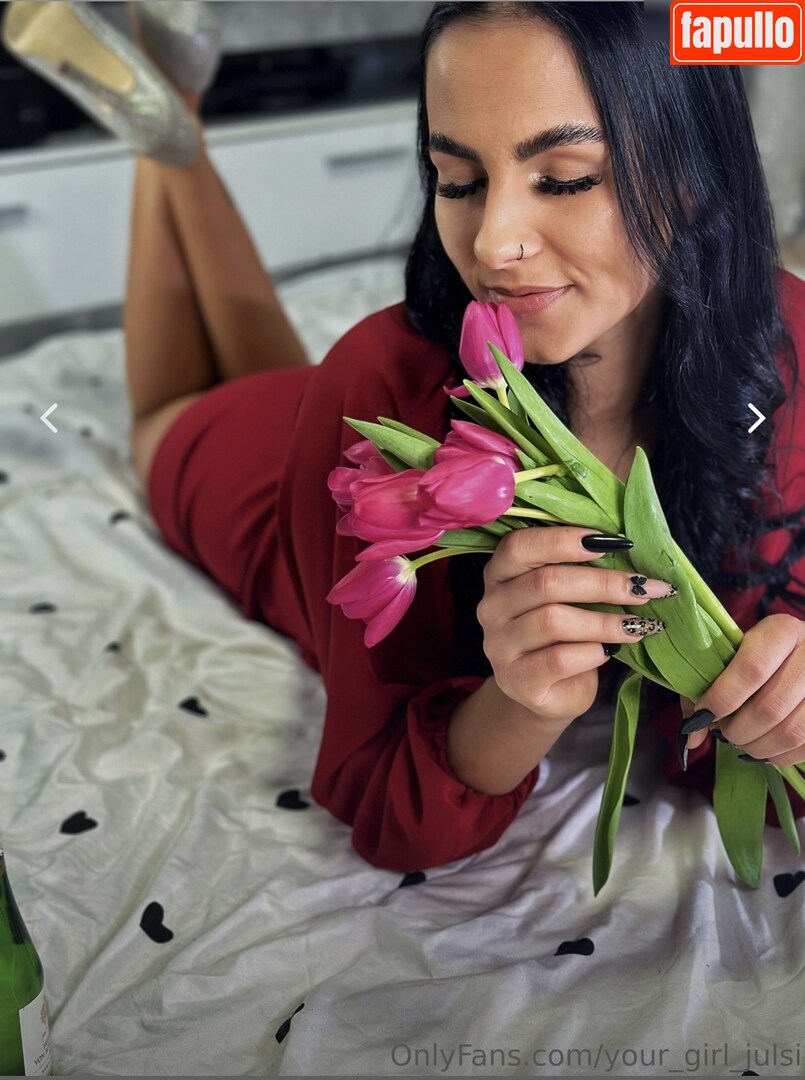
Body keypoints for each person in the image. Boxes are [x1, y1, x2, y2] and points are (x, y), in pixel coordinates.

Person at [7, 1, 804, 872]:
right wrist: (522, 701)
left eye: (563, 179)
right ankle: (162, 140)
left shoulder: (783, 348)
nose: (492, 244)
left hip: (344, 413)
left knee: (277, 366)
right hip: (286, 486)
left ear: (696, 172)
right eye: (457, 182)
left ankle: (170, 122)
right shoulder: (380, 373)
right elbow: (387, 810)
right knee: (167, 413)